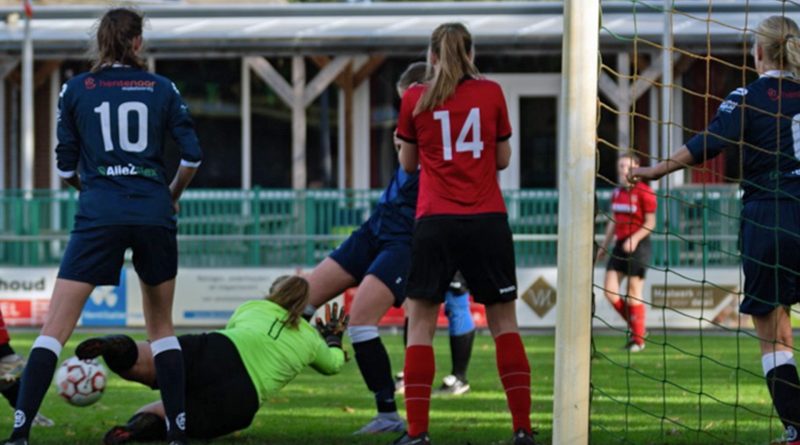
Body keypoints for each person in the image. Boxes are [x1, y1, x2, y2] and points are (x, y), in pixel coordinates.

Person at [4, 8, 202, 445]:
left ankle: (19, 434)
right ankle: (179, 434)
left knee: (54, 327)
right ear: (137, 43)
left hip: (99, 213)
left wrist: (92, 189)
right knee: (161, 329)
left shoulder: (76, 89)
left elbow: (65, 166)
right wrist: (170, 197)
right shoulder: (162, 88)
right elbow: (191, 157)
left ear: (101, 42)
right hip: (153, 211)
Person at [630, 15, 800, 445]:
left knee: (775, 335)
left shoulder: (747, 96)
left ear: (758, 52)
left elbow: (706, 143)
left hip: (768, 218)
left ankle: (797, 429)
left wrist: (655, 170)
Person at [395, 22, 534, 445]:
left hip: (435, 221)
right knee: (504, 323)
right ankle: (522, 429)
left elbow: (408, 167)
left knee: (420, 324)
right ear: (471, 54)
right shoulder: (491, 93)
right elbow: (504, 158)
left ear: (431, 56)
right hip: (487, 219)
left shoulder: (416, 98)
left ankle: (417, 434)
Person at [301, 60, 430, 435]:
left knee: (360, 322)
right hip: (374, 228)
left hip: (404, 241)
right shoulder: (410, 131)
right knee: (299, 302)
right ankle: (258, 373)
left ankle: (388, 413)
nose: (403, 111)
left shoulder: (440, 136)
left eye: (408, 102)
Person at [73, 275, 347, 445]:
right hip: (241, 401)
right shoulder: (311, 338)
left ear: (274, 293)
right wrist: (333, 339)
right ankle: (132, 431)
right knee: (162, 411)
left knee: (149, 359)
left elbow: (233, 332)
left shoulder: (253, 307)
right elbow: (334, 364)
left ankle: (113, 346)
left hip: (220, 351)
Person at [596, 154, 656, 352]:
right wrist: (604, 246)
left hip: (638, 245)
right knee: (610, 291)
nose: (622, 170)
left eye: (626, 166)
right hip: (620, 245)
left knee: (633, 292)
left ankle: (638, 340)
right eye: (620, 166)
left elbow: (650, 223)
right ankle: (638, 329)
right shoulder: (616, 193)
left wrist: (635, 238)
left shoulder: (645, 192)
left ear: (636, 168)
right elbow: (613, 221)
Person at [396, 271, 476, 396]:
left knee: (456, 301)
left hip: (454, 254)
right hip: (422, 254)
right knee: (414, 303)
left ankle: (459, 378)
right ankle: (413, 373)